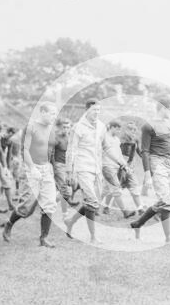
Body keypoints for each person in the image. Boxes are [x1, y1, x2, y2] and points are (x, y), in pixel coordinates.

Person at [64, 99, 124, 244]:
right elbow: (71, 150)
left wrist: (121, 162)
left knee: (93, 203)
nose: (96, 113)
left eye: (98, 110)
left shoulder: (101, 127)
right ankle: (93, 236)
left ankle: (70, 222)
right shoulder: (78, 127)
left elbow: (107, 147)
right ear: (86, 110)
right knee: (92, 201)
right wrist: (69, 171)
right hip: (82, 167)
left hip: (96, 168)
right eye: (93, 110)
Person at [3, 103, 59, 247]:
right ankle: (9, 224)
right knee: (26, 208)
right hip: (31, 169)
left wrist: (54, 170)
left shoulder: (52, 130)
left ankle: (43, 238)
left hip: (47, 169)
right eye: (52, 113)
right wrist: (32, 168)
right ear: (43, 112)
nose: (54, 117)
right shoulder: (31, 127)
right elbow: (25, 150)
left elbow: (52, 152)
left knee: (49, 204)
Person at [129, 95, 170, 247]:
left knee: (163, 201)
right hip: (156, 163)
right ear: (161, 108)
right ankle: (168, 238)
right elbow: (145, 151)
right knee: (166, 201)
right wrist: (147, 174)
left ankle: (138, 223)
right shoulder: (148, 126)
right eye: (169, 107)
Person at [100, 121, 137, 218]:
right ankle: (125, 212)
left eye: (120, 129)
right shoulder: (104, 138)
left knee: (105, 190)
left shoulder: (116, 139)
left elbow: (119, 155)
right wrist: (121, 163)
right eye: (117, 129)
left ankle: (90, 206)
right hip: (107, 166)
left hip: (115, 167)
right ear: (111, 127)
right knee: (116, 189)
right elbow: (108, 152)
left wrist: (125, 166)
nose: (119, 131)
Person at [50, 118, 78, 217]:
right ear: (61, 128)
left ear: (71, 128)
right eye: (64, 127)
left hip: (69, 166)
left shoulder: (72, 138)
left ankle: (50, 202)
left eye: (68, 127)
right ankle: (65, 213)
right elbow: (51, 153)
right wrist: (53, 167)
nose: (66, 129)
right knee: (65, 190)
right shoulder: (57, 138)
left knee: (73, 185)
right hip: (59, 165)